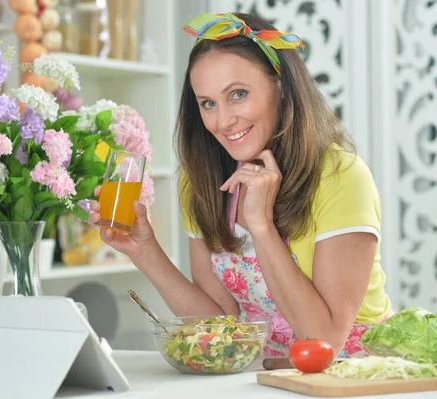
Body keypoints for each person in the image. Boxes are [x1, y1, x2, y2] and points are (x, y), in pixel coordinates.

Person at [88, 12, 393, 358]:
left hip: (356, 376)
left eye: (238, 94)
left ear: (279, 87)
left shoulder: (341, 177)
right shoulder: (201, 181)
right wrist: (144, 252)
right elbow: (221, 328)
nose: (223, 121)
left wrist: (261, 226)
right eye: (208, 103)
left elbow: (323, 341)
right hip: (263, 375)